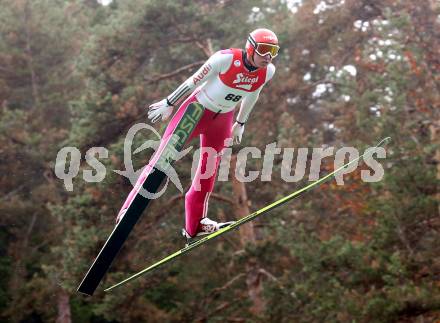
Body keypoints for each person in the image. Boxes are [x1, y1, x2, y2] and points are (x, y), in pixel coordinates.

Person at [116, 28, 279, 239]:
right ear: (251, 47)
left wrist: (241, 122)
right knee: (162, 160)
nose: (268, 56)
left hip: (222, 120)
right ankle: (128, 209)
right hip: (196, 111)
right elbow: (193, 81)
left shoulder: (268, 71)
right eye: (265, 50)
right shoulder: (225, 59)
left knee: (208, 171)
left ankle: (195, 224)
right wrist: (169, 102)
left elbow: (253, 95)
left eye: (273, 51)